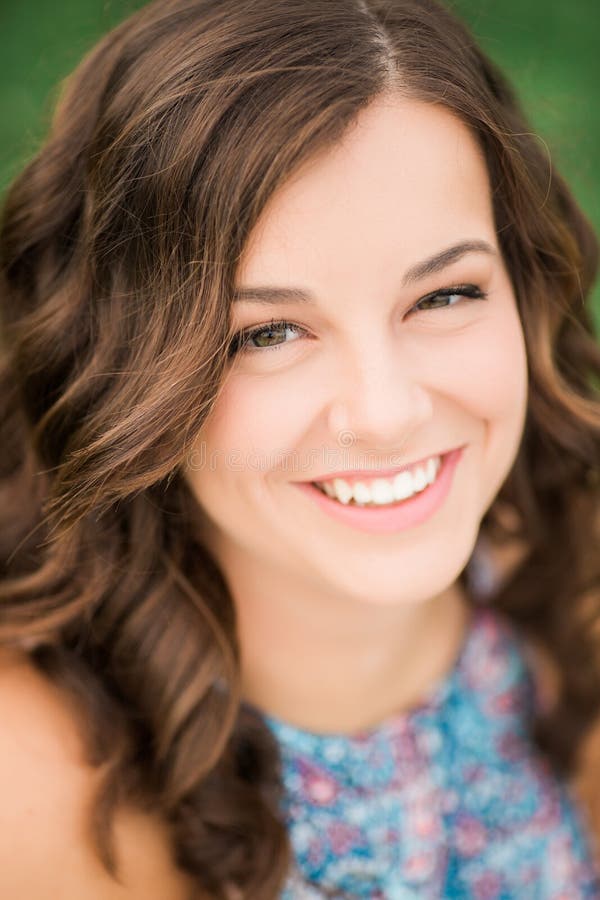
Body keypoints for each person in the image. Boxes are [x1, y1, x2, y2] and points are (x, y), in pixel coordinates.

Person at [0, 0, 599, 896]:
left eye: (443, 296)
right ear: (127, 371)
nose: (387, 413)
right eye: (269, 333)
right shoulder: (32, 787)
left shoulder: (567, 581)